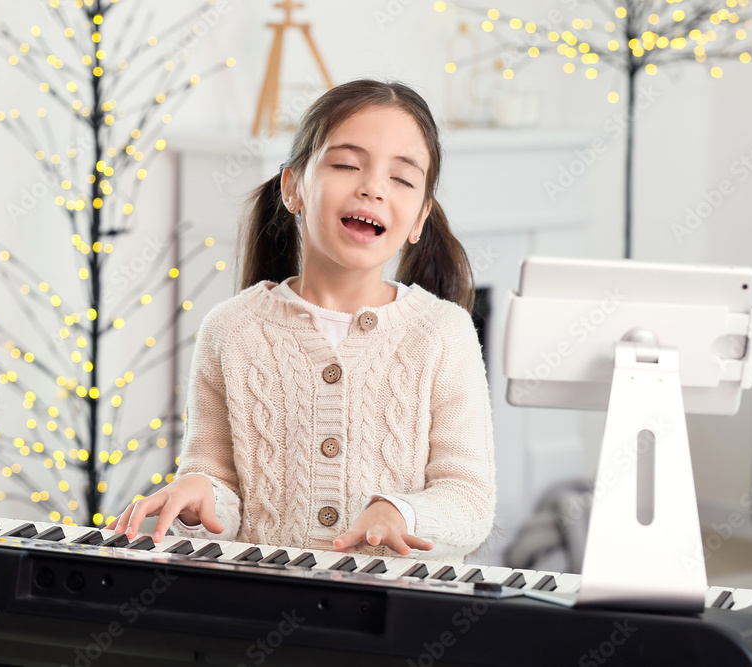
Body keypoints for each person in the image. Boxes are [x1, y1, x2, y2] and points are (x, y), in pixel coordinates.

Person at [109, 79, 495, 563]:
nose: (372, 187)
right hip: (264, 607)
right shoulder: (231, 330)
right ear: (293, 187)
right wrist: (199, 494)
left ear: (420, 217)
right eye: (346, 165)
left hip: (397, 617)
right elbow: (221, 494)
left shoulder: (444, 333)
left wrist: (402, 513)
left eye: (401, 179)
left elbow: (470, 501)